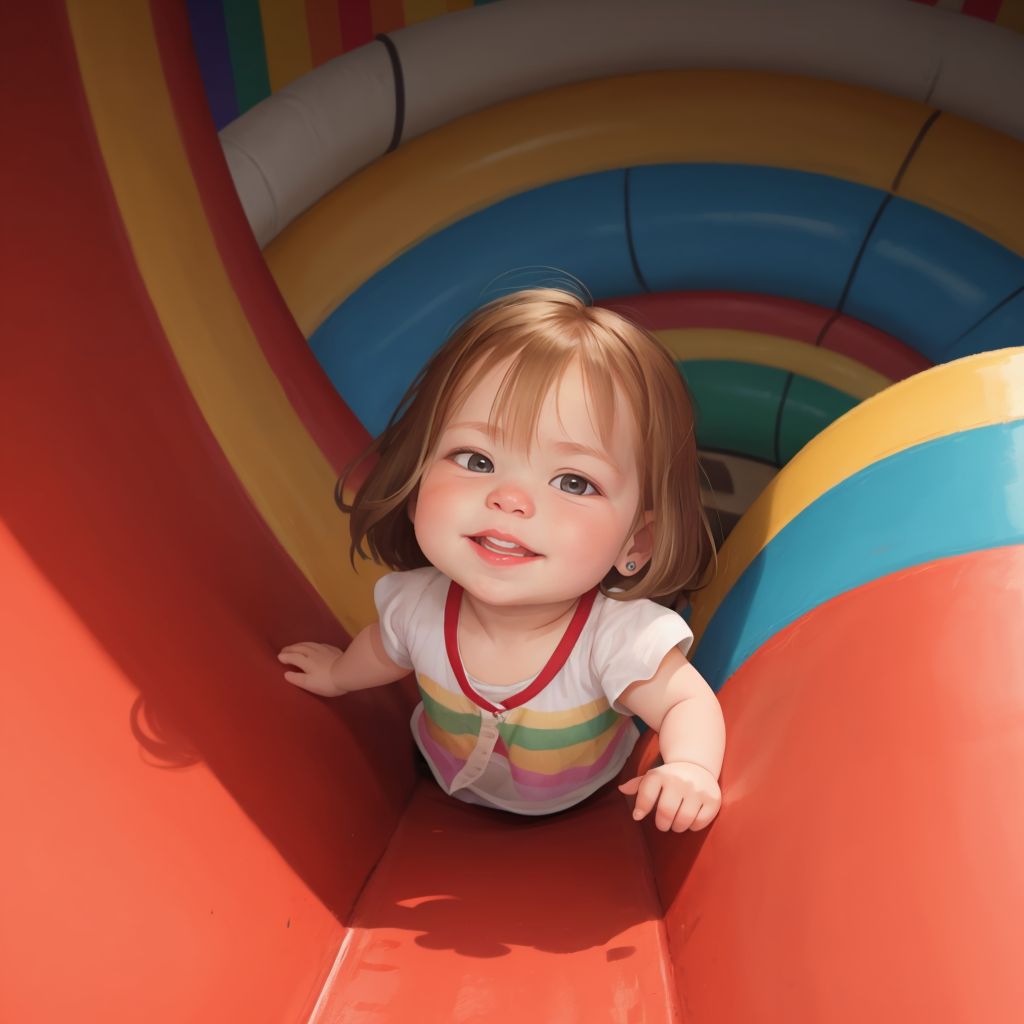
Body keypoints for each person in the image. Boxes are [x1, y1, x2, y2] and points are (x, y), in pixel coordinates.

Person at [279, 288, 725, 832]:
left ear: (636, 544)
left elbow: (685, 704)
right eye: (476, 459)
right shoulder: (418, 603)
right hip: (439, 767)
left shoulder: (616, 639)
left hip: (582, 798)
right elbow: (384, 648)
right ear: (417, 485)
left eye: (573, 481)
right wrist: (338, 676)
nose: (511, 498)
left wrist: (690, 767)